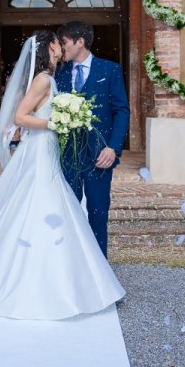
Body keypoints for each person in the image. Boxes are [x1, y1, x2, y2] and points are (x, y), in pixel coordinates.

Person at [0, 30, 125, 320]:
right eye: (58, 42)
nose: (62, 45)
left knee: (50, 203)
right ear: (50, 48)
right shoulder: (44, 79)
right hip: (40, 149)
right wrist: (54, 123)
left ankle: (61, 275)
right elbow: (20, 117)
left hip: (49, 151)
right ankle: (37, 279)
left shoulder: (52, 77)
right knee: (42, 202)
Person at [55, 22, 130, 257]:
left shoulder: (109, 70)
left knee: (98, 212)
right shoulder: (59, 73)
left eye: (64, 42)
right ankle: (71, 265)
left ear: (80, 42)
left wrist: (113, 148)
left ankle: (100, 273)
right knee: (68, 210)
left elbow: (121, 111)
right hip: (67, 155)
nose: (61, 48)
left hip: (100, 155)